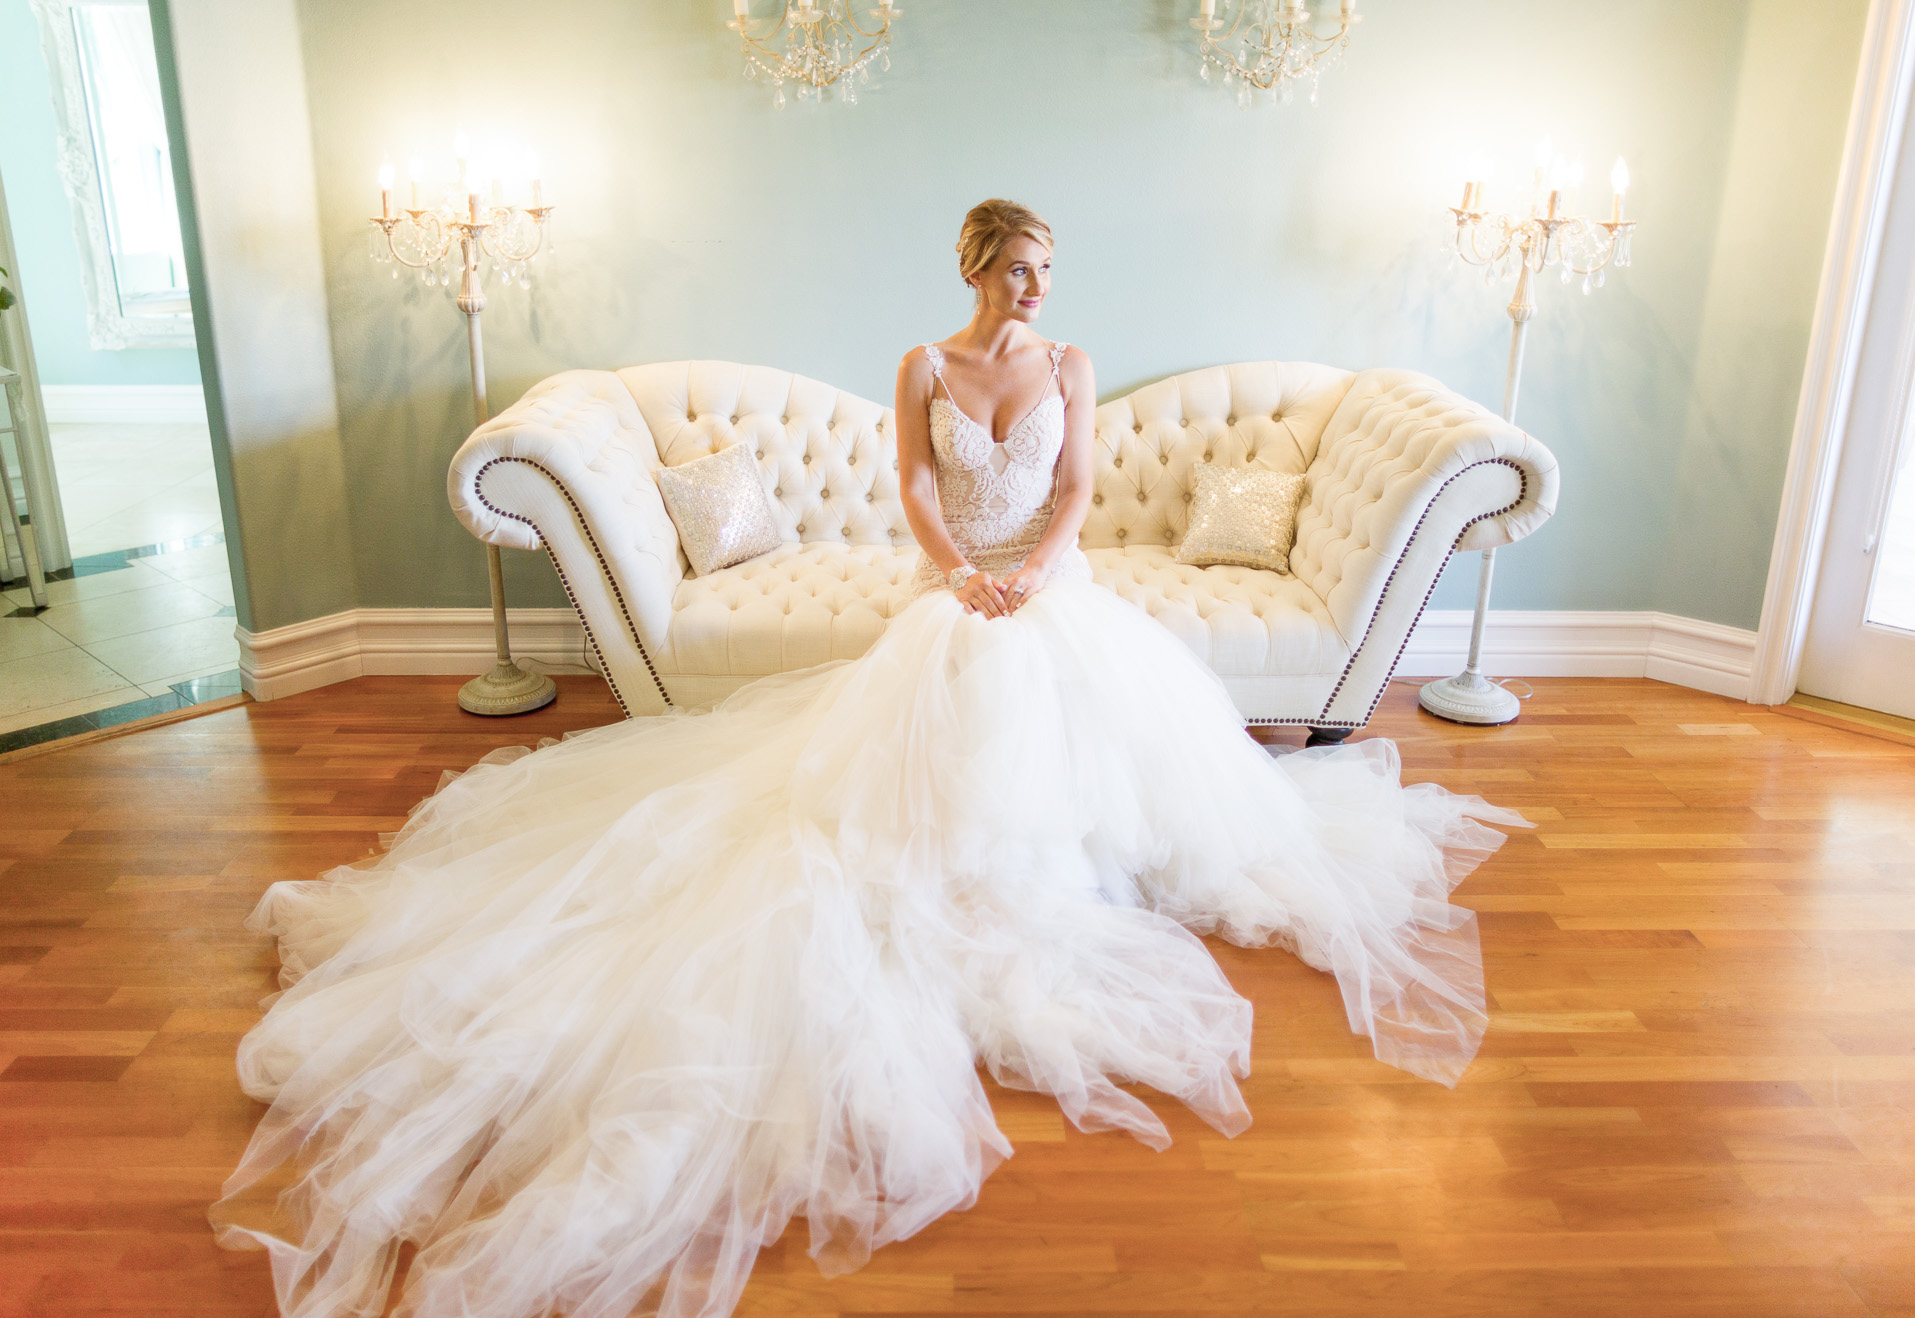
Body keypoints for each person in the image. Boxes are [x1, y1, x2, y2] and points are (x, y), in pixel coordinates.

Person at [212, 199, 1526, 1318]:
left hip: (1048, 584)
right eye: (1017, 267)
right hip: (953, 582)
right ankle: (947, 846)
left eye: (1046, 272)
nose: (1035, 289)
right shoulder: (923, 366)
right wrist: (961, 573)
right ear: (973, 265)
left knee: (1069, 698)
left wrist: (1034, 574)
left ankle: (1050, 859)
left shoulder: (1069, 363)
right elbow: (910, 486)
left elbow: (1073, 494)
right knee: (939, 689)